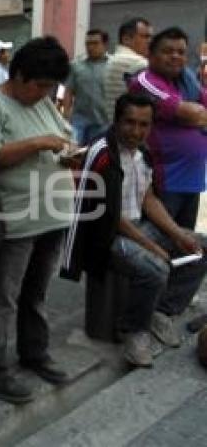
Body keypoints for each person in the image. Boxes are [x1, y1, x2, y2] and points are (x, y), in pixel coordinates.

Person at [63, 93, 207, 367]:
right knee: (156, 268)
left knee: (200, 247)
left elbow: (148, 199)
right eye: (130, 123)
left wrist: (178, 234)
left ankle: (160, 311)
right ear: (116, 121)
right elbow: (110, 216)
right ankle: (134, 332)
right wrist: (153, 247)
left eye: (144, 124)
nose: (136, 131)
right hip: (106, 235)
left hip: (137, 226)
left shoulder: (143, 153)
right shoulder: (101, 153)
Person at [0, 36, 75, 405]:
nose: (45, 93)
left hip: (51, 216)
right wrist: (36, 143)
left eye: (51, 87)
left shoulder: (44, 103)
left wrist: (70, 155)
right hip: (12, 221)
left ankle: (34, 353)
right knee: (1, 300)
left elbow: (62, 139)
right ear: (19, 75)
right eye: (41, 85)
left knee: (36, 295)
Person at [128, 27, 207, 230]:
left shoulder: (185, 81)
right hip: (164, 181)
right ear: (151, 55)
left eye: (181, 52)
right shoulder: (146, 82)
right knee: (161, 240)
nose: (175, 57)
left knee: (185, 245)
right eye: (168, 51)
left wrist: (190, 116)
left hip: (191, 179)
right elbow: (194, 113)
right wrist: (191, 116)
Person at [62, 29, 111, 145]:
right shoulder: (76, 65)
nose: (90, 47)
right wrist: (66, 115)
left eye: (95, 43)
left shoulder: (113, 66)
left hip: (104, 121)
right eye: (88, 44)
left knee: (97, 156)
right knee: (72, 153)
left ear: (105, 44)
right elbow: (68, 91)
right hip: (79, 120)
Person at [103, 17, 152, 120]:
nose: (150, 41)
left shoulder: (112, 59)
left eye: (150, 37)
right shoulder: (140, 63)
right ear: (126, 39)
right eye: (145, 37)